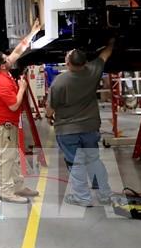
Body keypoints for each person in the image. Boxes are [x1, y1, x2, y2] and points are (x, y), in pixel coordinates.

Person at [45, 40, 115, 207]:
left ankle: (82, 197)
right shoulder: (93, 71)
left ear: (67, 63)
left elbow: (50, 109)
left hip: (67, 130)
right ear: (85, 62)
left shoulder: (59, 82)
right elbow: (104, 55)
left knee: (75, 162)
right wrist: (111, 42)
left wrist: (48, 117)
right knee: (94, 159)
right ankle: (104, 195)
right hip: (90, 127)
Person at [0, 19, 43, 204]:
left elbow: (18, 50)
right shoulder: (0, 82)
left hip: (8, 125)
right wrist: (22, 88)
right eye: (6, 58)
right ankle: (6, 192)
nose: (9, 58)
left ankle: (18, 187)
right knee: (6, 159)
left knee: (14, 157)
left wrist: (32, 32)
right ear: (3, 66)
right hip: (3, 126)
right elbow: (14, 106)